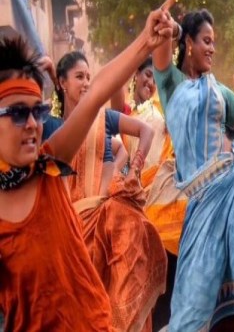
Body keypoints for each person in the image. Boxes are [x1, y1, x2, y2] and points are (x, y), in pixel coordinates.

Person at [0, 7, 174, 331]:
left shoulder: (48, 166)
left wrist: (145, 42)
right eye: (18, 113)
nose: (33, 124)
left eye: (37, 111)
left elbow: (96, 96)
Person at [152, 9, 234, 332]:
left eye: (214, 42)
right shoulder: (170, 83)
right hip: (202, 204)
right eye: (206, 41)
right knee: (190, 310)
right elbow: (160, 43)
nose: (212, 49)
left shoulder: (218, 90)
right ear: (188, 43)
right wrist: (175, 29)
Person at [44, 50, 167, 332]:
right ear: (62, 82)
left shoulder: (104, 119)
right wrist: (46, 73)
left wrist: (134, 170)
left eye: (89, 76)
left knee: (115, 308)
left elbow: (146, 132)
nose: (86, 82)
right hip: (71, 232)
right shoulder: (52, 127)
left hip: (109, 229)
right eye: (79, 76)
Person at [111, 56, 186, 330]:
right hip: (138, 206)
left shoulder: (162, 109)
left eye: (154, 77)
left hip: (167, 206)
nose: (150, 82)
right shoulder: (126, 115)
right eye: (145, 75)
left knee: (169, 286)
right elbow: (114, 92)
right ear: (135, 75)